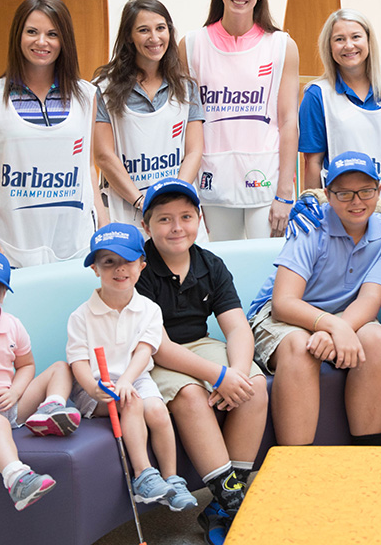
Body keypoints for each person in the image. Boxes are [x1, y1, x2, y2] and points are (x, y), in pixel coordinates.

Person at [135, 177, 268, 541]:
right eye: (164, 219)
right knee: (191, 395)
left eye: (186, 216)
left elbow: (238, 329)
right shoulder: (140, 269)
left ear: (200, 219)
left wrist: (235, 374)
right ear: (146, 226)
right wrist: (217, 375)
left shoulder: (210, 263)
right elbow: (159, 347)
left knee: (254, 386)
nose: (177, 227)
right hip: (149, 356)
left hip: (198, 344)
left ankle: (224, 501)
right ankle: (232, 500)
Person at [248, 152, 381, 446]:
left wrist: (337, 329)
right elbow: (283, 303)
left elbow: (370, 299)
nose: (356, 201)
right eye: (344, 193)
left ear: (379, 192)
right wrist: (333, 327)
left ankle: (367, 455)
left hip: (342, 316)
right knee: (300, 347)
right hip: (284, 318)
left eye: (365, 191)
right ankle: (296, 467)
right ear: (328, 195)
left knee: (377, 338)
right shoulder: (310, 224)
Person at [0, 0, 105, 267]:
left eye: (52, 34)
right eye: (32, 32)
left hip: (76, 245)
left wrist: (104, 227)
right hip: (10, 246)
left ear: (64, 41)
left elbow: (87, 168)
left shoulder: (87, 95)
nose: (42, 42)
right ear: (18, 35)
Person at [67, 223, 198, 512]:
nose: (119, 269)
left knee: (158, 410)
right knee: (133, 404)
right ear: (95, 269)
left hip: (135, 378)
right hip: (96, 387)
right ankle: (143, 476)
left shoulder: (149, 309)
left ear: (142, 264)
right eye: (108, 262)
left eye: (127, 261)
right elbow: (77, 361)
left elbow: (144, 351)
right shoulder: (81, 316)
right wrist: (93, 387)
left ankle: (172, 479)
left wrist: (126, 380)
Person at [0, 247, 81, 510]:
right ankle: (18, 479)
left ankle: (50, 409)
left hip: (8, 401)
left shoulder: (12, 325)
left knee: (60, 367)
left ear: (3, 294)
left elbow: (27, 365)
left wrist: (16, 391)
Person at [181, 0, 299, 240]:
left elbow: (288, 120)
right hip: (211, 181)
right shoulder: (192, 44)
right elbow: (186, 121)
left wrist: (285, 190)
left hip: (266, 181)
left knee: (267, 267)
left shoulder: (282, 45)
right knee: (221, 268)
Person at [93, 0, 204, 225]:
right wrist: (143, 203)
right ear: (128, 37)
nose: (154, 38)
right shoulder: (103, 88)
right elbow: (104, 156)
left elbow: (194, 151)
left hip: (178, 210)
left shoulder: (186, 87)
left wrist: (176, 197)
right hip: (127, 211)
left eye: (160, 28)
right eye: (144, 30)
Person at [299, 9, 381, 192]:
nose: (348, 45)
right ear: (329, 46)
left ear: (368, 41)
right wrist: (314, 209)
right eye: (339, 39)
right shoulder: (317, 95)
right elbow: (312, 162)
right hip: (345, 208)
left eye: (356, 37)